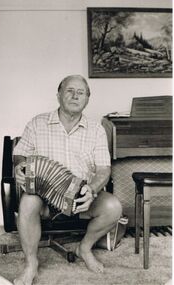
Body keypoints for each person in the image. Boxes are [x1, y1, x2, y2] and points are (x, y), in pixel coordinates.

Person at [13, 75, 122, 285]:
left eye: (81, 92)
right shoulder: (37, 123)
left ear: (87, 99)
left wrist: (91, 189)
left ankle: (85, 248)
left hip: (82, 197)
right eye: (69, 90)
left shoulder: (96, 130)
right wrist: (19, 165)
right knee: (27, 201)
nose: (75, 96)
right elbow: (20, 154)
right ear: (59, 95)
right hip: (44, 197)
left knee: (113, 207)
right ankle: (31, 263)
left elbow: (103, 170)